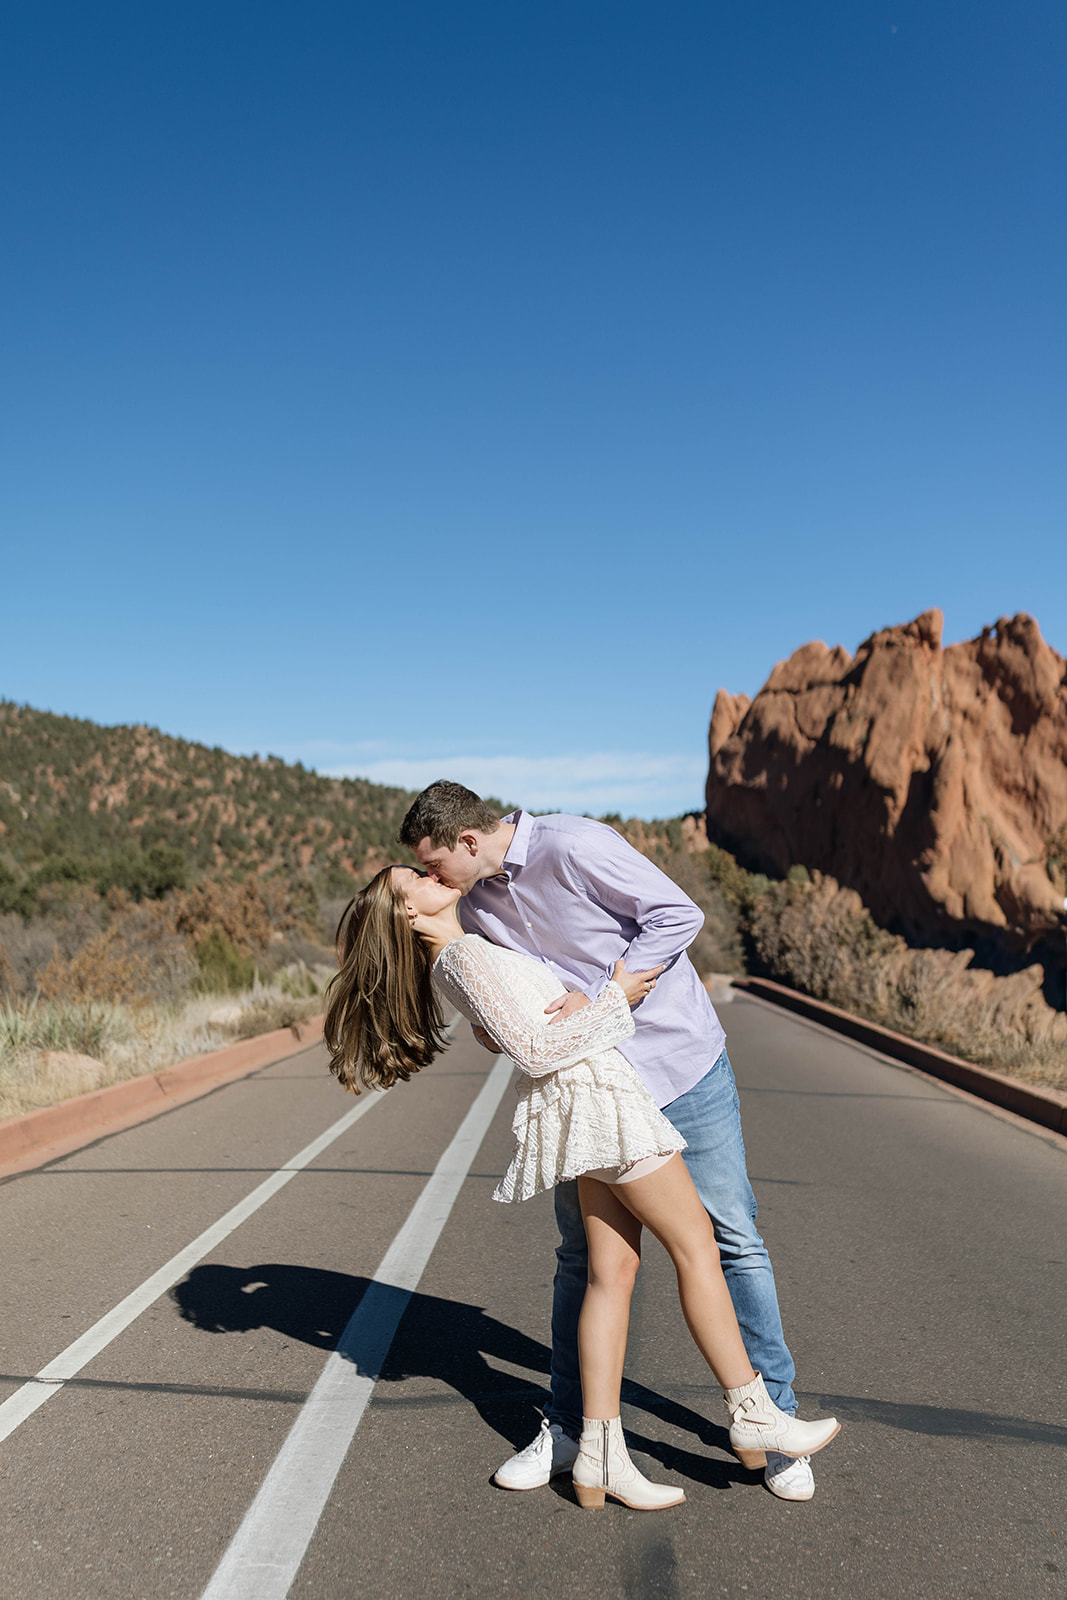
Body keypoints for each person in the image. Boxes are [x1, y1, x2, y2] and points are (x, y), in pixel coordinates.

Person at [324, 863, 840, 1511]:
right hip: (600, 1105)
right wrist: (615, 996)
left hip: (592, 1100)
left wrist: (572, 1003)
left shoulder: (470, 946)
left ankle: (599, 1457)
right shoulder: (459, 958)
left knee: (611, 1272)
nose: (434, 875)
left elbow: (521, 1028)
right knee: (696, 1247)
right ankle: (753, 1410)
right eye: (418, 879)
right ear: (406, 913)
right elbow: (538, 1052)